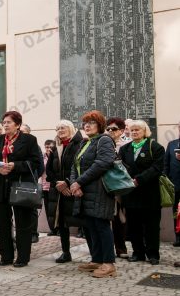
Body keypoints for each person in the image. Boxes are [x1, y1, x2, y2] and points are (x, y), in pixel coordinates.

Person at [0, 111, 42, 267]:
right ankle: (6, 256)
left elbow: (36, 162)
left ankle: (23, 257)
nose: (5, 125)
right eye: (4, 122)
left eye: (9, 122)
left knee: (23, 223)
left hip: (20, 185)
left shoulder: (29, 140)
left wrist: (16, 166)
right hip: (0, 186)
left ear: (17, 124)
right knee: (3, 224)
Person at [70, 110, 116, 278]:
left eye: (91, 123)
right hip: (84, 191)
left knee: (102, 226)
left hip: (99, 191)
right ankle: (97, 259)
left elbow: (103, 163)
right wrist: (75, 184)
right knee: (90, 227)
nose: (87, 126)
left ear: (100, 125)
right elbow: (74, 166)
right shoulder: (85, 142)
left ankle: (109, 263)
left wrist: (79, 182)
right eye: (85, 123)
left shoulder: (104, 140)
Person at [119, 120, 164, 265]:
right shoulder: (124, 149)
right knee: (133, 225)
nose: (134, 132)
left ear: (145, 131)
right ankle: (138, 253)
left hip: (150, 194)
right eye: (132, 130)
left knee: (151, 226)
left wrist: (138, 179)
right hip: (130, 194)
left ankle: (153, 254)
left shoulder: (155, 147)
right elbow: (120, 168)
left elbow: (156, 168)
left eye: (137, 130)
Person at [46, 120, 83, 263]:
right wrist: (58, 184)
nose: (60, 130)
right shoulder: (56, 147)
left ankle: (95, 255)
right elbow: (49, 170)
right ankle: (66, 252)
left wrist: (67, 182)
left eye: (63, 128)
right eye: (58, 128)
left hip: (74, 189)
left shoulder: (80, 144)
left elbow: (81, 167)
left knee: (83, 222)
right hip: (59, 192)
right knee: (61, 223)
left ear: (71, 129)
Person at [105, 117, 129, 259]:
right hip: (105, 186)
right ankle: (109, 248)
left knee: (120, 218)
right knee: (107, 218)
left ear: (121, 130)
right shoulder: (104, 143)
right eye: (107, 129)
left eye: (113, 129)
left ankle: (121, 248)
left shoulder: (127, 145)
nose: (110, 131)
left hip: (121, 186)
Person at [164, 121, 180, 247]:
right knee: (176, 212)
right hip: (175, 185)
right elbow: (166, 165)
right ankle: (178, 237)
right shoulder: (172, 144)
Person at [40, 139, 56, 235]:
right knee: (47, 209)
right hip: (44, 186)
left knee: (54, 209)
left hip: (54, 186)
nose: (48, 149)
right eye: (46, 147)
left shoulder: (55, 157)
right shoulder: (42, 157)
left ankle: (57, 228)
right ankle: (52, 229)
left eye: (50, 147)